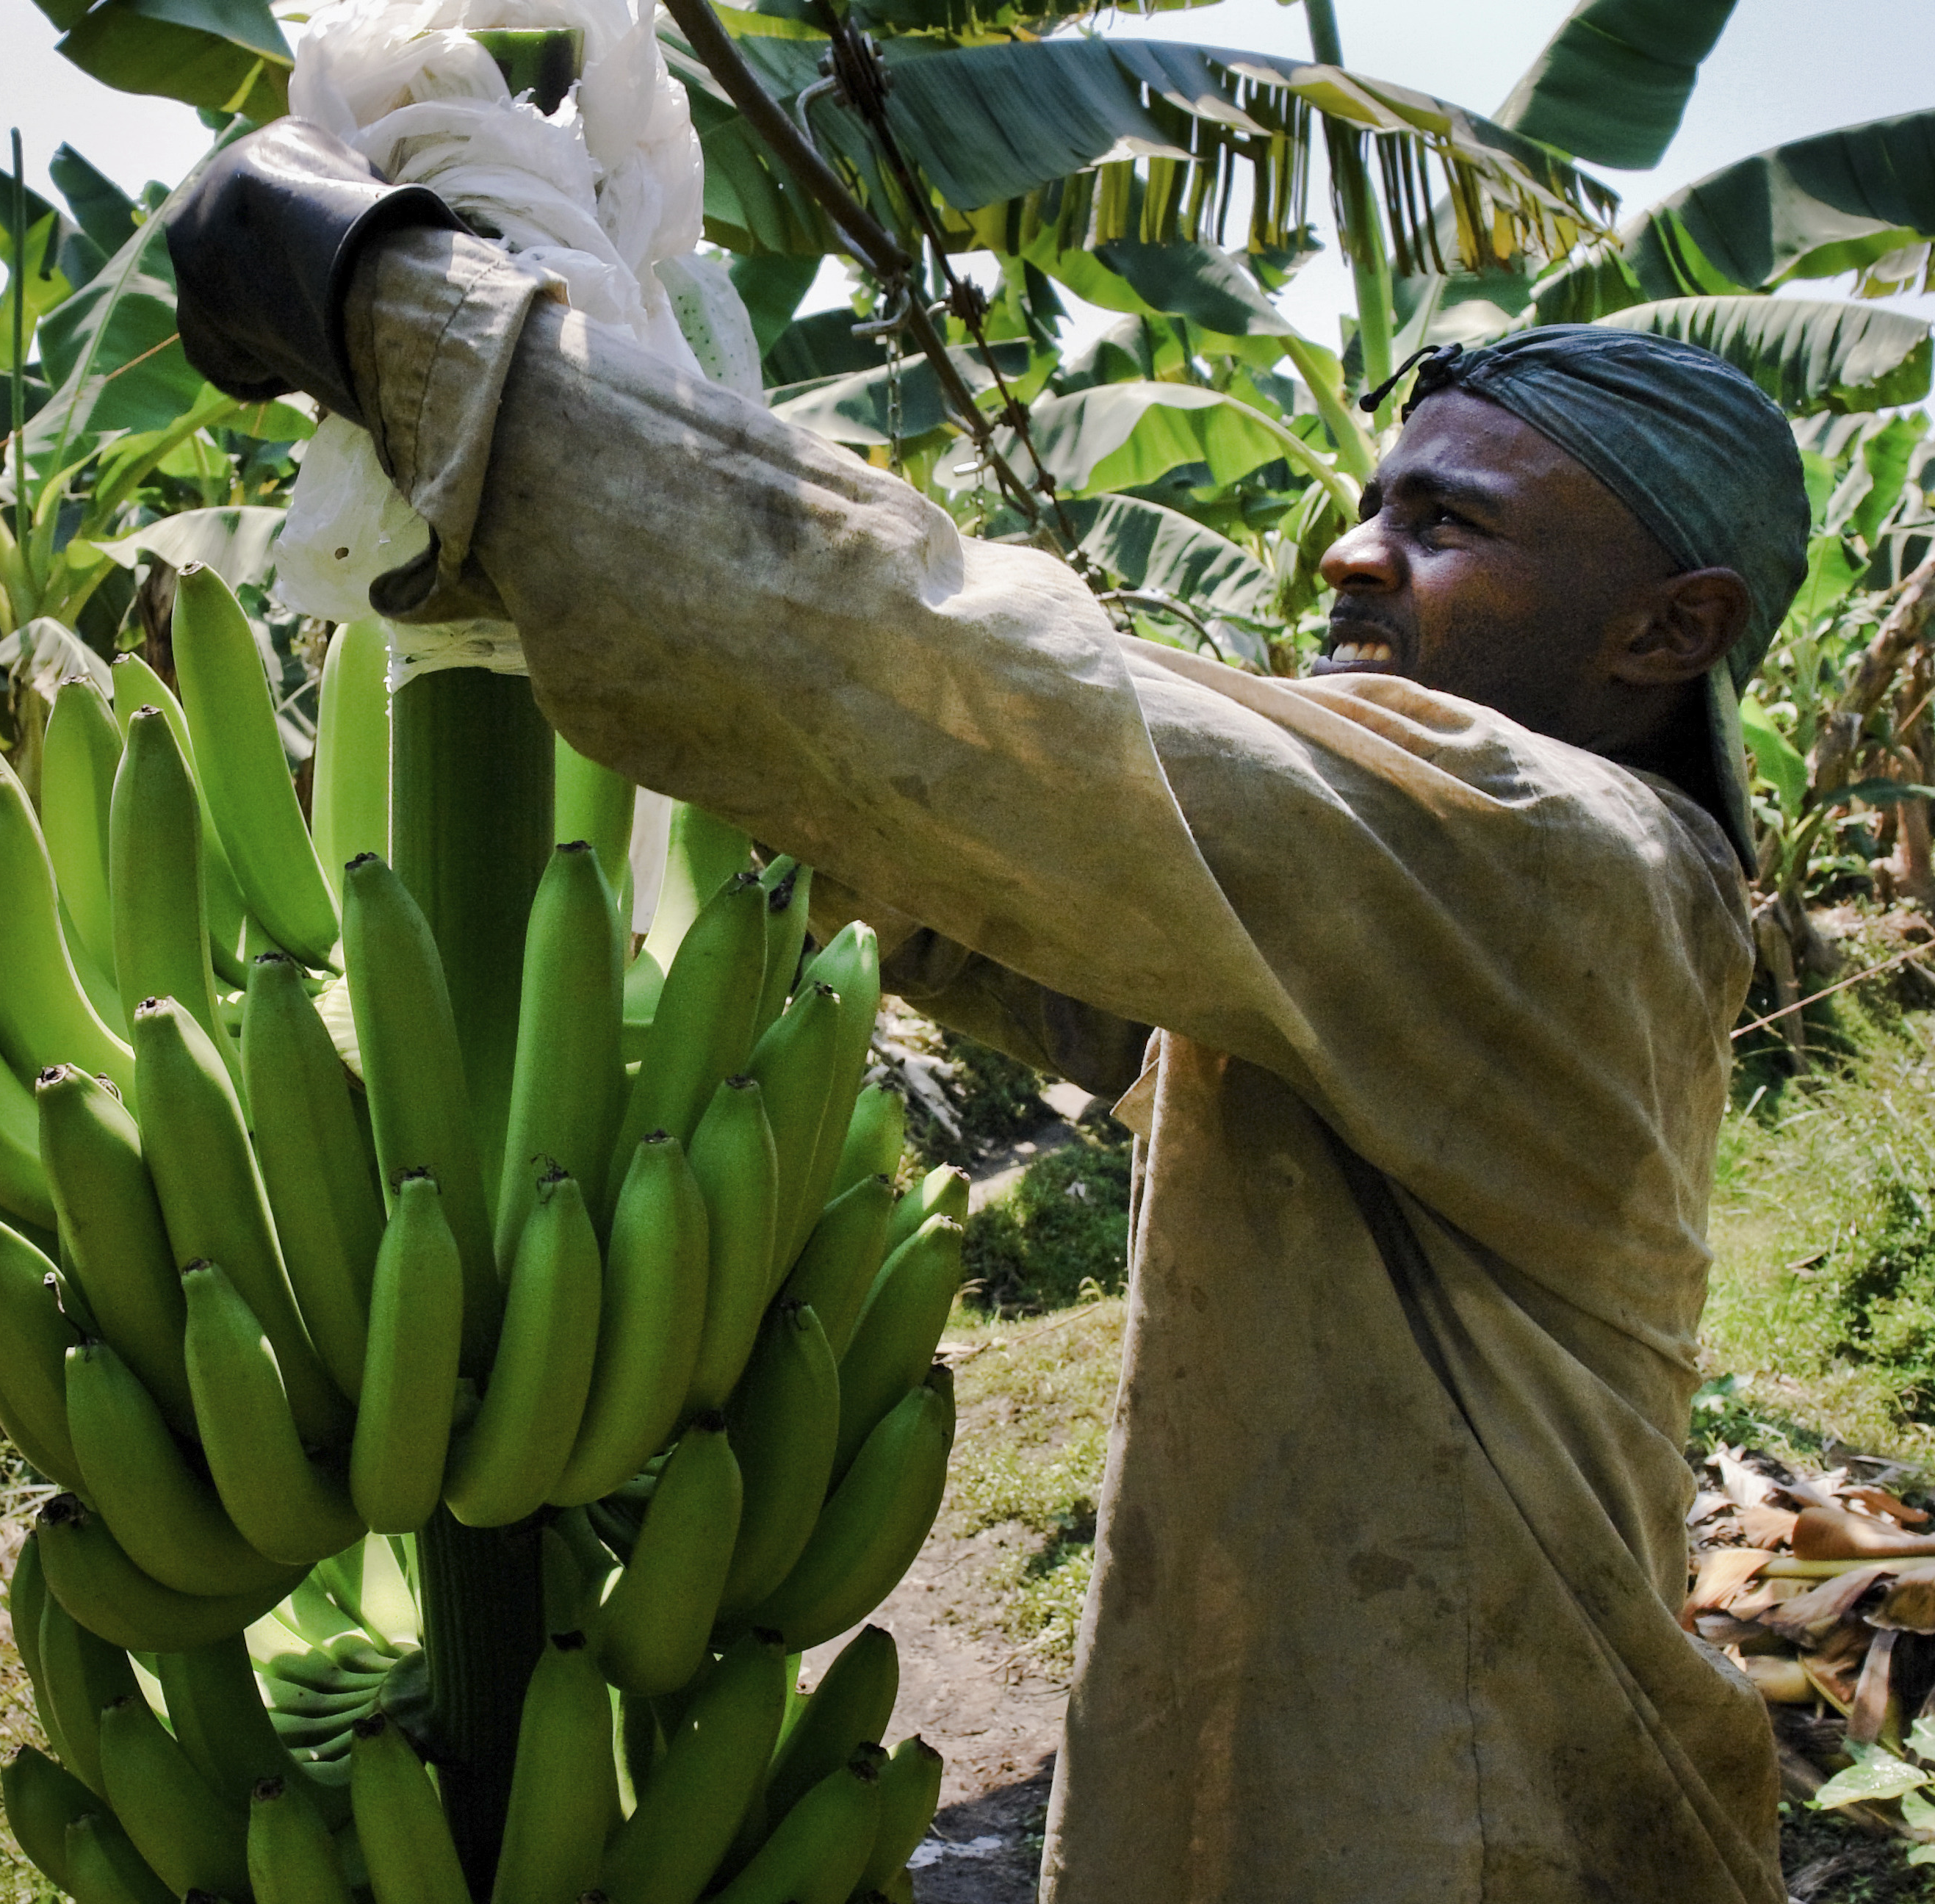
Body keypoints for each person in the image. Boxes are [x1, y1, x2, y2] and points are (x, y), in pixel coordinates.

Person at [170, 123, 1812, 1903]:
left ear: (1669, 632)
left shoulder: (1543, 847)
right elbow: (1020, 917)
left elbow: (938, 671)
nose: (1350, 550)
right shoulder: (1472, 906)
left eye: (1447, 523)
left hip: (1480, 1820)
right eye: (1376, 495)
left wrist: (403, 308)